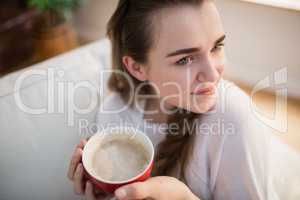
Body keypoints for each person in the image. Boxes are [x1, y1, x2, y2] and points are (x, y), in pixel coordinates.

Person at [67, 0, 300, 199]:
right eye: (186, 59)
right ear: (137, 68)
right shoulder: (114, 112)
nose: (213, 74)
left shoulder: (234, 120)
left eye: (217, 46)